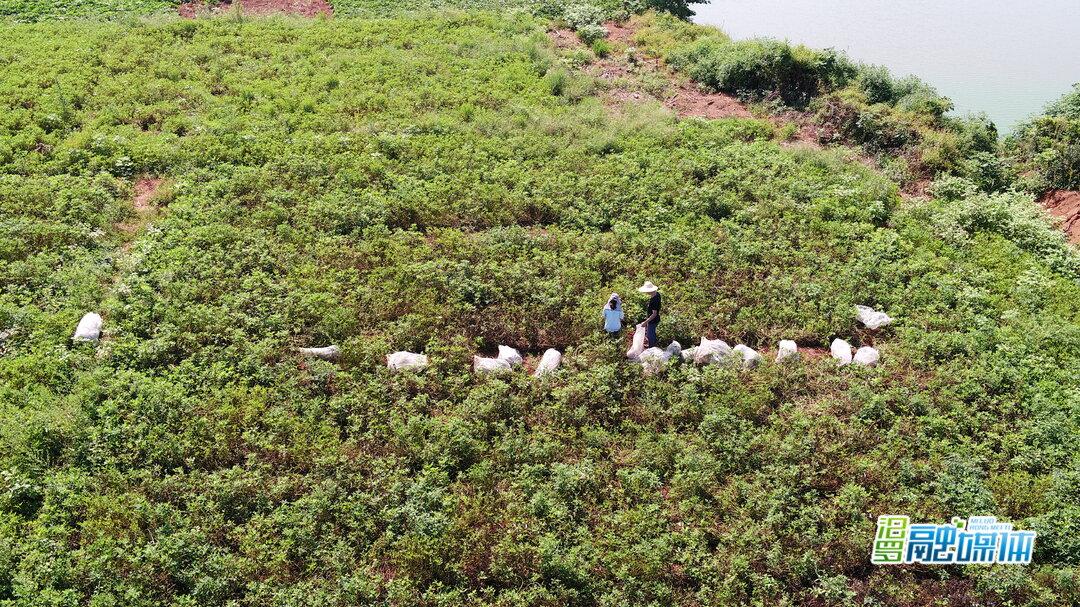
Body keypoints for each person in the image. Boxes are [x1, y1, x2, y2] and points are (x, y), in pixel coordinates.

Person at [637, 281, 661, 347]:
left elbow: (654, 314)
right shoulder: (657, 294)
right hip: (654, 319)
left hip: (653, 320)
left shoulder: (654, 300)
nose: (646, 292)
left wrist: (645, 322)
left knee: (650, 336)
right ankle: (652, 346)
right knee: (650, 334)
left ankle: (652, 349)